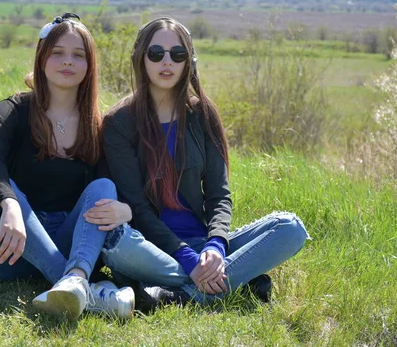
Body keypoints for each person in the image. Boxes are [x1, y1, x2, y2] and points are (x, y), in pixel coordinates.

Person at [100, 17, 310, 306]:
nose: (167, 62)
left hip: (202, 243)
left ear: (189, 61)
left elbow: (219, 196)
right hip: (149, 247)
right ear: (141, 58)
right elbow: (136, 207)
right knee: (116, 247)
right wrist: (188, 258)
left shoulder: (202, 115)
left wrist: (216, 247)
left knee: (291, 227)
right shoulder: (119, 123)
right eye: (156, 53)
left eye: (178, 54)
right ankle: (238, 280)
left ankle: (179, 295)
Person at [0, 13, 134, 320]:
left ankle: (74, 278)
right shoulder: (14, 110)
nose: (67, 62)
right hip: (8, 249)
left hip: (67, 242)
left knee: (104, 188)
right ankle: (87, 288)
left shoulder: (97, 126)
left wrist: (128, 211)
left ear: (89, 66)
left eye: (78, 55)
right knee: (4, 187)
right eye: (58, 53)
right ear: (42, 59)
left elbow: (115, 188)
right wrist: (8, 205)